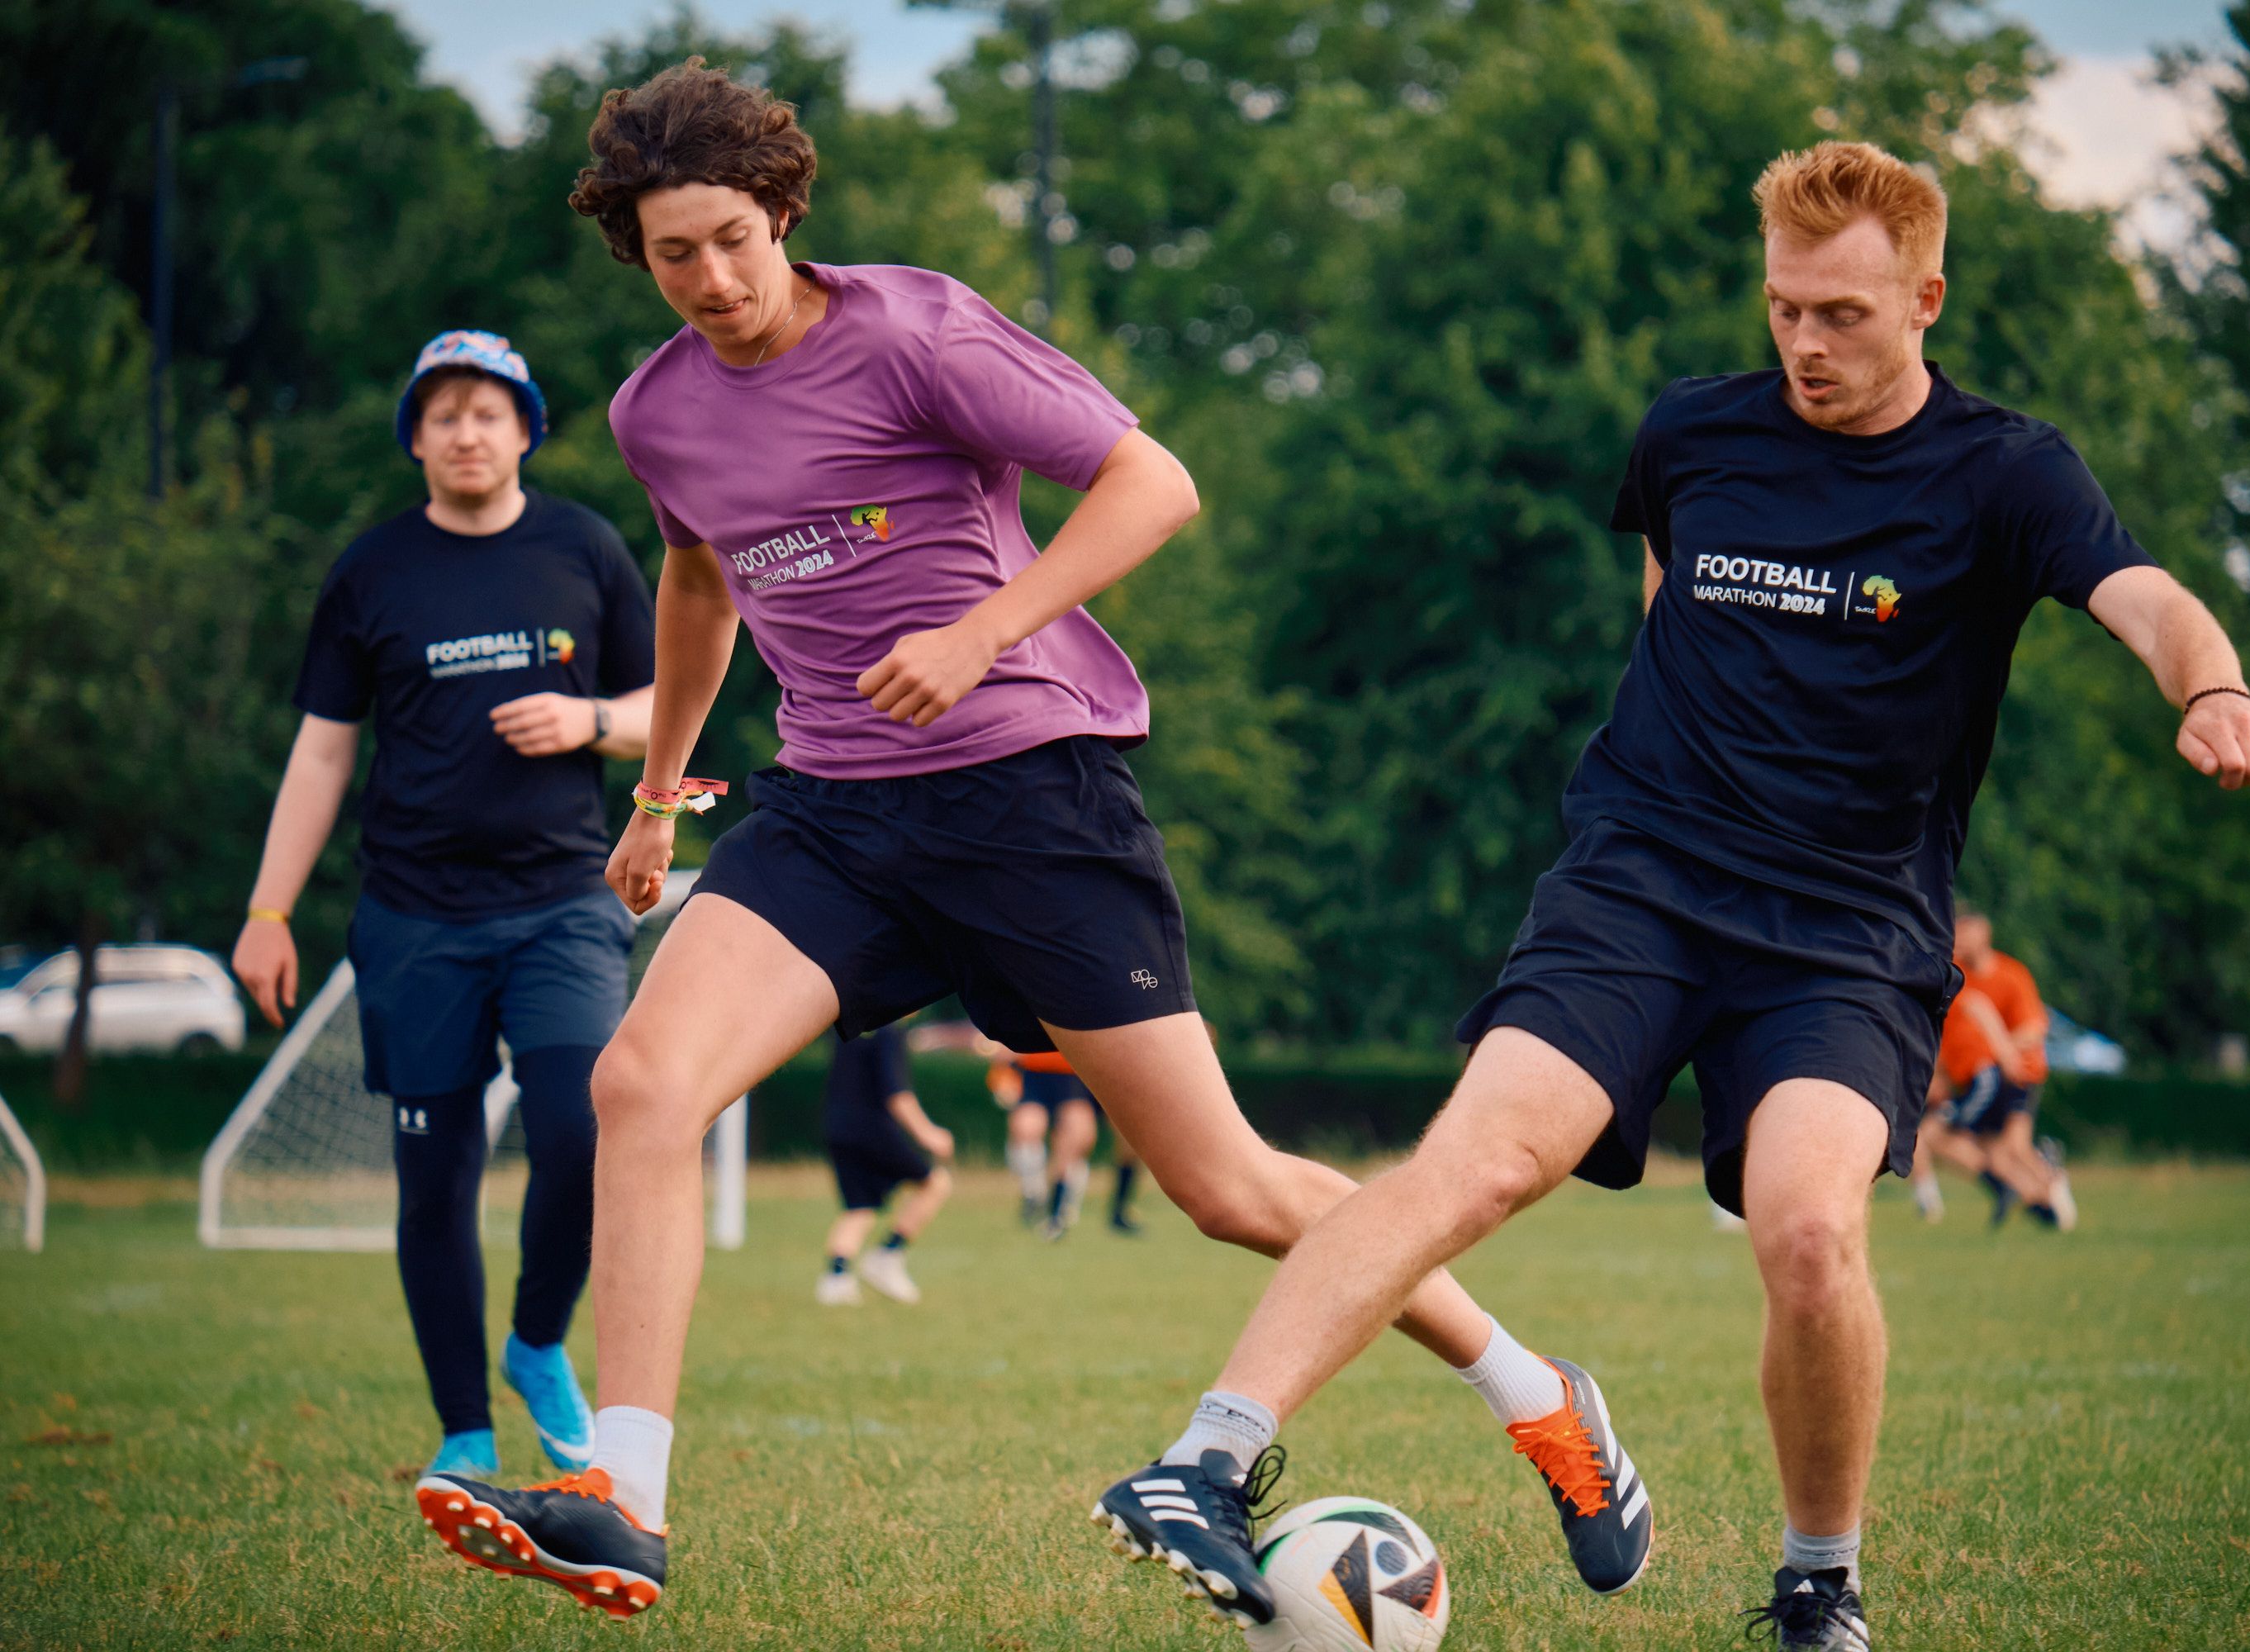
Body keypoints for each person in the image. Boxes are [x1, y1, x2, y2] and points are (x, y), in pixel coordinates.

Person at [415, 59, 1622, 1620]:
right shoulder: (658, 410)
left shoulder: (914, 331)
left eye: (730, 237)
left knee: (1228, 1187)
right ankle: (623, 1504)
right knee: (641, 1082)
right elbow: (700, 583)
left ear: (784, 210)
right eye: (671, 253)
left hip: (1031, 793)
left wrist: (986, 631)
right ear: (634, 256)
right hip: (835, 812)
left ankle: (1538, 1394)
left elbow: (1153, 482)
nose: (709, 279)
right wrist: (657, 794)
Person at [1095, 140, 2250, 1648]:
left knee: (1808, 1230)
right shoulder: (1691, 434)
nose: (1806, 342)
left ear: (1926, 299)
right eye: (1785, 307)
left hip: (1845, 937)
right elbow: (1667, 592)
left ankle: (1818, 1581)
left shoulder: (2007, 472)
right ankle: (1204, 1464)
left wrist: (2215, 688)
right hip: (1637, 888)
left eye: (1845, 314)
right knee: (1468, 1165)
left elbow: (2151, 597)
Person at [233, 330, 656, 1479]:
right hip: (415, 918)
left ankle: (535, 1343)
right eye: (444, 414)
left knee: (581, 1129)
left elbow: (667, 698)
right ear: (416, 438)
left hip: (563, 902)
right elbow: (322, 755)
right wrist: (269, 913)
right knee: (438, 1176)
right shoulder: (372, 572)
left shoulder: (585, 545)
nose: (467, 432)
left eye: (489, 411)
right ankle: (464, 1432)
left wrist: (591, 724)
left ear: (526, 427)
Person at [1912, 909, 2072, 1227]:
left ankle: (2035, 1186)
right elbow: (1951, 1035)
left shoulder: (2010, 974)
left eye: (1966, 931)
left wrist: (2004, 1052)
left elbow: (2035, 1027)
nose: (1959, 938)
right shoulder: (1956, 975)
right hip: (1985, 1076)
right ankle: (2042, 1200)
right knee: (2005, 1149)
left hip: (2017, 1073)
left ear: (1983, 933)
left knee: (1959, 1139)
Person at [818, 1024, 953, 1305]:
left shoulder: (852, 1027)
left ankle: (836, 1279)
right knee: (936, 1184)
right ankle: (887, 1256)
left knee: (860, 1206)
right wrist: (928, 1133)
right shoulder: (891, 1031)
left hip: (839, 1127)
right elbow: (897, 1094)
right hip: (874, 1130)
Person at [1010, 1048, 1099, 1239]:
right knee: (1025, 1128)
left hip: (1074, 1072)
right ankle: (1034, 1192)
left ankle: (1061, 1210)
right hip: (1036, 1069)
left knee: (1074, 1140)